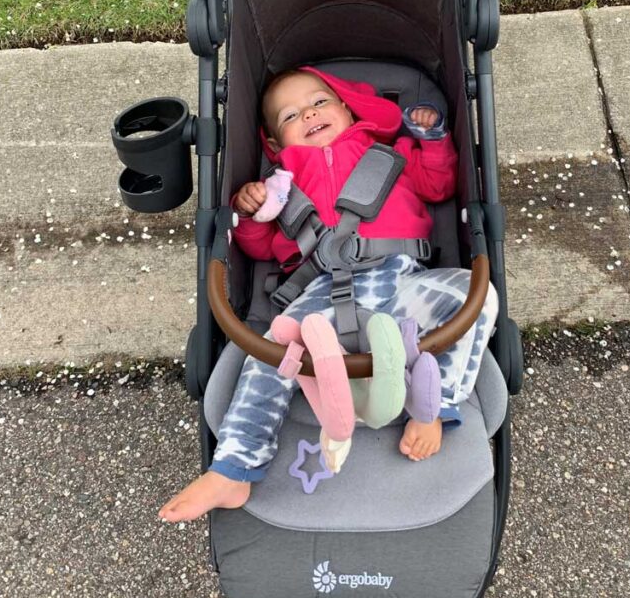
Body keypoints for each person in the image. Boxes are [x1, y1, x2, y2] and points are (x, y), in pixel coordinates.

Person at [159, 68, 497, 523]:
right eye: (292, 115)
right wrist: (254, 211)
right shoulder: (283, 185)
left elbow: (439, 186)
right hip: (323, 295)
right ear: (276, 144)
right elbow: (262, 249)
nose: (310, 114)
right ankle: (236, 467)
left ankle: (434, 406)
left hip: (401, 282)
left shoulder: (387, 155)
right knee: (272, 353)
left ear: (348, 108)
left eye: (320, 102)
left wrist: (432, 139)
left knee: (475, 294)